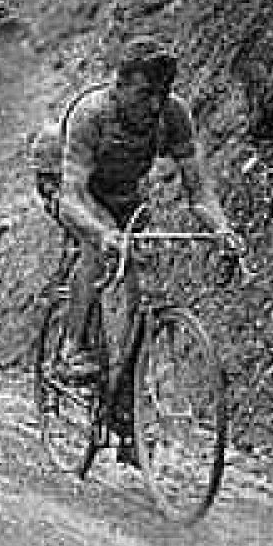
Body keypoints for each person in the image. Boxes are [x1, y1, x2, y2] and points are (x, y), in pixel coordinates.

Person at [31, 36, 244, 384]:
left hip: (123, 192)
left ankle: (125, 387)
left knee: (140, 276)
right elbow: (72, 197)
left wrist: (221, 229)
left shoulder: (173, 114)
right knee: (95, 251)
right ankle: (73, 346)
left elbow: (199, 190)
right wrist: (102, 234)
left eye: (162, 92)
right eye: (144, 93)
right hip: (72, 189)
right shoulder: (92, 115)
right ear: (119, 85)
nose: (155, 104)